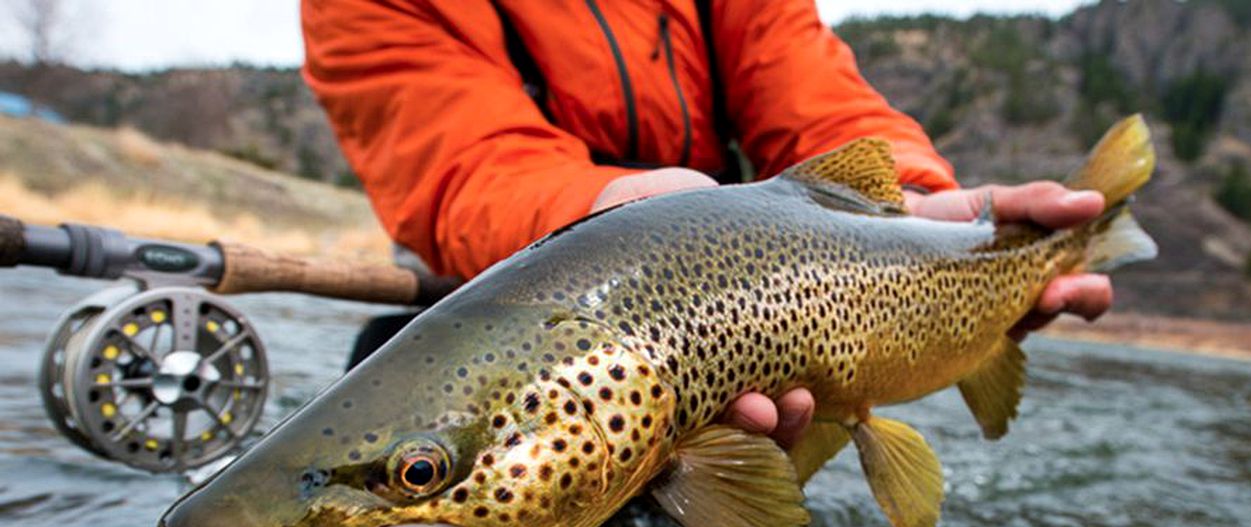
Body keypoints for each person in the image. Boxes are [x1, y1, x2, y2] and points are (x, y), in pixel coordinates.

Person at [301, 0, 1113, 448]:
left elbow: (810, 92)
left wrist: (908, 204)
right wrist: (619, 218)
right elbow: (466, 166)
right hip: (500, 308)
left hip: (730, 288)